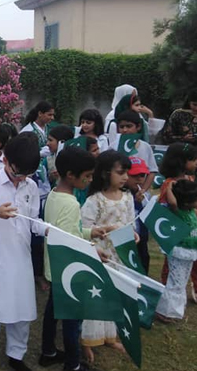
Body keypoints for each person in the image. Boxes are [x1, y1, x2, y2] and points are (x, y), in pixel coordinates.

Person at [0, 133, 49, 371]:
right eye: (16, 173)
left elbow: (32, 220)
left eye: (26, 174)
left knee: (22, 307)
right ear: (5, 160)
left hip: (21, 258)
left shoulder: (30, 186)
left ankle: (16, 354)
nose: (20, 178)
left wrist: (47, 230)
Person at [39, 146, 106, 371]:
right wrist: (93, 250)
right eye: (87, 176)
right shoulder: (71, 204)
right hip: (69, 271)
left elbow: (64, 232)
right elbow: (69, 242)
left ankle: (48, 351)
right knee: (72, 321)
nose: (90, 180)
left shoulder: (53, 195)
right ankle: (73, 365)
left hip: (55, 268)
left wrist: (89, 232)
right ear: (70, 175)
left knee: (52, 312)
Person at [80, 150, 136, 362]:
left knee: (113, 294)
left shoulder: (128, 197)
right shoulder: (96, 200)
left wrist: (134, 234)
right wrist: (106, 228)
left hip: (118, 255)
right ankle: (88, 340)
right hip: (100, 254)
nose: (125, 177)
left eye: (126, 173)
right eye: (120, 172)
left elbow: (131, 222)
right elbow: (85, 227)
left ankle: (110, 335)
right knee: (95, 296)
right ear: (104, 173)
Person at [156, 143, 197, 294]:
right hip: (176, 231)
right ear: (182, 161)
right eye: (193, 159)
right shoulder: (169, 184)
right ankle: (168, 293)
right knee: (173, 264)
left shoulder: (191, 179)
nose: (196, 163)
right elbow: (166, 205)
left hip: (192, 227)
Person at [155, 179, 197, 323]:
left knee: (181, 281)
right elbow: (172, 202)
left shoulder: (191, 211)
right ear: (186, 202)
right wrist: (170, 186)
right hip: (179, 250)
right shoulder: (178, 210)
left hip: (189, 251)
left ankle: (174, 311)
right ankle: (165, 311)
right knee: (175, 281)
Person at [113, 110, 158, 192]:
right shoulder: (113, 146)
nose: (125, 130)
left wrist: (143, 190)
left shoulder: (145, 147)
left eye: (129, 126)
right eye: (121, 127)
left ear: (138, 127)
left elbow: (152, 171)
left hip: (139, 191)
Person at [125, 157, 152, 272]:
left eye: (142, 175)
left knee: (144, 260)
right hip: (128, 238)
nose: (139, 179)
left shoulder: (146, 195)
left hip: (143, 237)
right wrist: (135, 202)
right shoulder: (122, 194)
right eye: (134, 176)